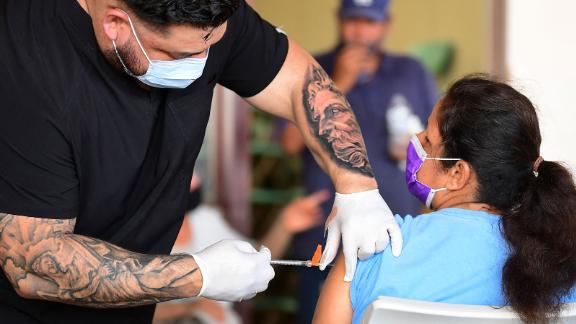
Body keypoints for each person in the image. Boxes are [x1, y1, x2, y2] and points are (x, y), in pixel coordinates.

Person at [0, 0, 403, 323]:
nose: (202, 62)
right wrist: (198, 275)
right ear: (115, 24)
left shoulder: (204, 11)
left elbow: (300, 82)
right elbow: (32, 263)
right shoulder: (24, 61)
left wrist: (358, 188)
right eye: (179, 54)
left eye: (210, 46)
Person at [313, 76, 576, 324]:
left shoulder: (370, 251)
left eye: (428, 140)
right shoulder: (562, 258)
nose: (415, 141)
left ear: (457, 174)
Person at [278, 0, 437, 321]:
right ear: (339, 20)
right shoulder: (312, 67)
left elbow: (434, 145)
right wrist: (339, 82)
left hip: (397, 227)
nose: (360, 32)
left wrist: (409, 149)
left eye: (370, 22)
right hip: (325, 227)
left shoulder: (410, 72)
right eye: (353, 21)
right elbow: (289, 143)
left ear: (386, 25)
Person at [153, 176, 329, 323]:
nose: (195, 178)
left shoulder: (205, 219)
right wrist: (190, 308)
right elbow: (131, 306)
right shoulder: (145, 241)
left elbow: (254, 262)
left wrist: (284, 225)